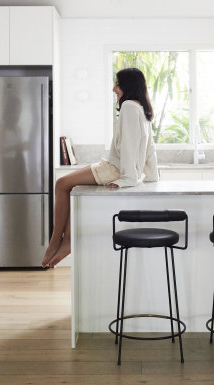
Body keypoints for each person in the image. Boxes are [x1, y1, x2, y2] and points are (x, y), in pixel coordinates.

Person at [42, 67, 158, 269]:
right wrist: (150, 175)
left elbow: (130, 145)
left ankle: (56, 240)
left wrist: (127, 179)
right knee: (75, 189)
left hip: (113, 168)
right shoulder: (142, 108)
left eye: (117, 84)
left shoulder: (130, 106)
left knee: (61, 184)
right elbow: (150, 149)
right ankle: (67, 239)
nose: (114, 89)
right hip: (115, 166)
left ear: (128, 86)